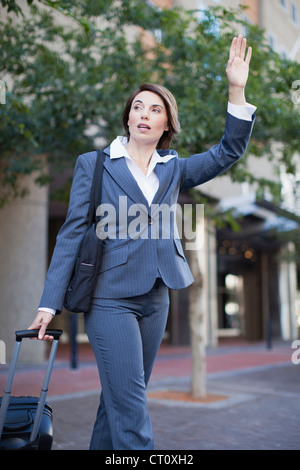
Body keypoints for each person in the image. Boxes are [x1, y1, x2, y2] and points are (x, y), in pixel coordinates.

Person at [29, 35, 256, 450]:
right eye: (138, 106)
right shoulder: (95, 165)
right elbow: (72, 233)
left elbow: (228, 151)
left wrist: (236, 90)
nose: (145, 114)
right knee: (132, 407)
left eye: (156, 109)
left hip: (156, 297)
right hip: (108, 298)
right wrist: (49, 304)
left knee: (119, 400)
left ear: (167, 124)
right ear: (128, 117)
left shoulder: (174, 170)